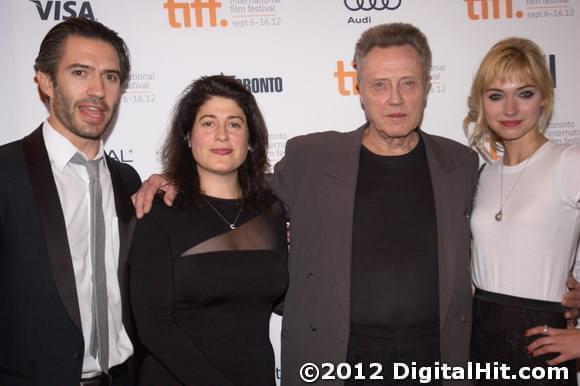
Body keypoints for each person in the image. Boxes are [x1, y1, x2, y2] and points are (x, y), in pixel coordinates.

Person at [134, 23, 479, 385]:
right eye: (380, 84)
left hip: (435, 360)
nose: (395, 99)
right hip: (339, 360)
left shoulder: (459, 164)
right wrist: (174, 179)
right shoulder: (311, 159)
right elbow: (237, 187)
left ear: (427, 86)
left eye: (408, 83)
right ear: (359, 89)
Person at [0, 17, 140, 385]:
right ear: (46, 81)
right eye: (81, 72)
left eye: (110, 77)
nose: (97, 89)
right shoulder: (5, 173)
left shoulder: (128, 181)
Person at [128, 75, 288, 385]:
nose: (222, 136)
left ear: (251, 139)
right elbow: (153, 324)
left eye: (235, 124)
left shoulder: (272, 212)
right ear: (188, 136)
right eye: (208, 123)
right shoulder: (160, 212)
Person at [464, 37, 580, 384]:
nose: (510, 109)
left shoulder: (568, 162)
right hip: (481, 340)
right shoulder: (484, 174)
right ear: (482, 103)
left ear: (544, 97)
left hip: (542, 344)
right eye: (496, 95)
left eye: (525, 93)